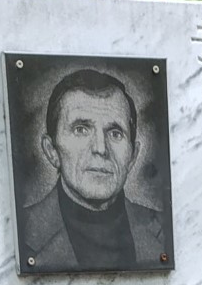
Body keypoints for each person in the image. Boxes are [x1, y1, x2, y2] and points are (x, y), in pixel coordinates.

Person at [18, 68, 169, 272]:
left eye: (115, 133)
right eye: (81, 130)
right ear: (52, 150)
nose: (100, 148)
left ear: (133, 155)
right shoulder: (23, 230)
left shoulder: (164, 229)